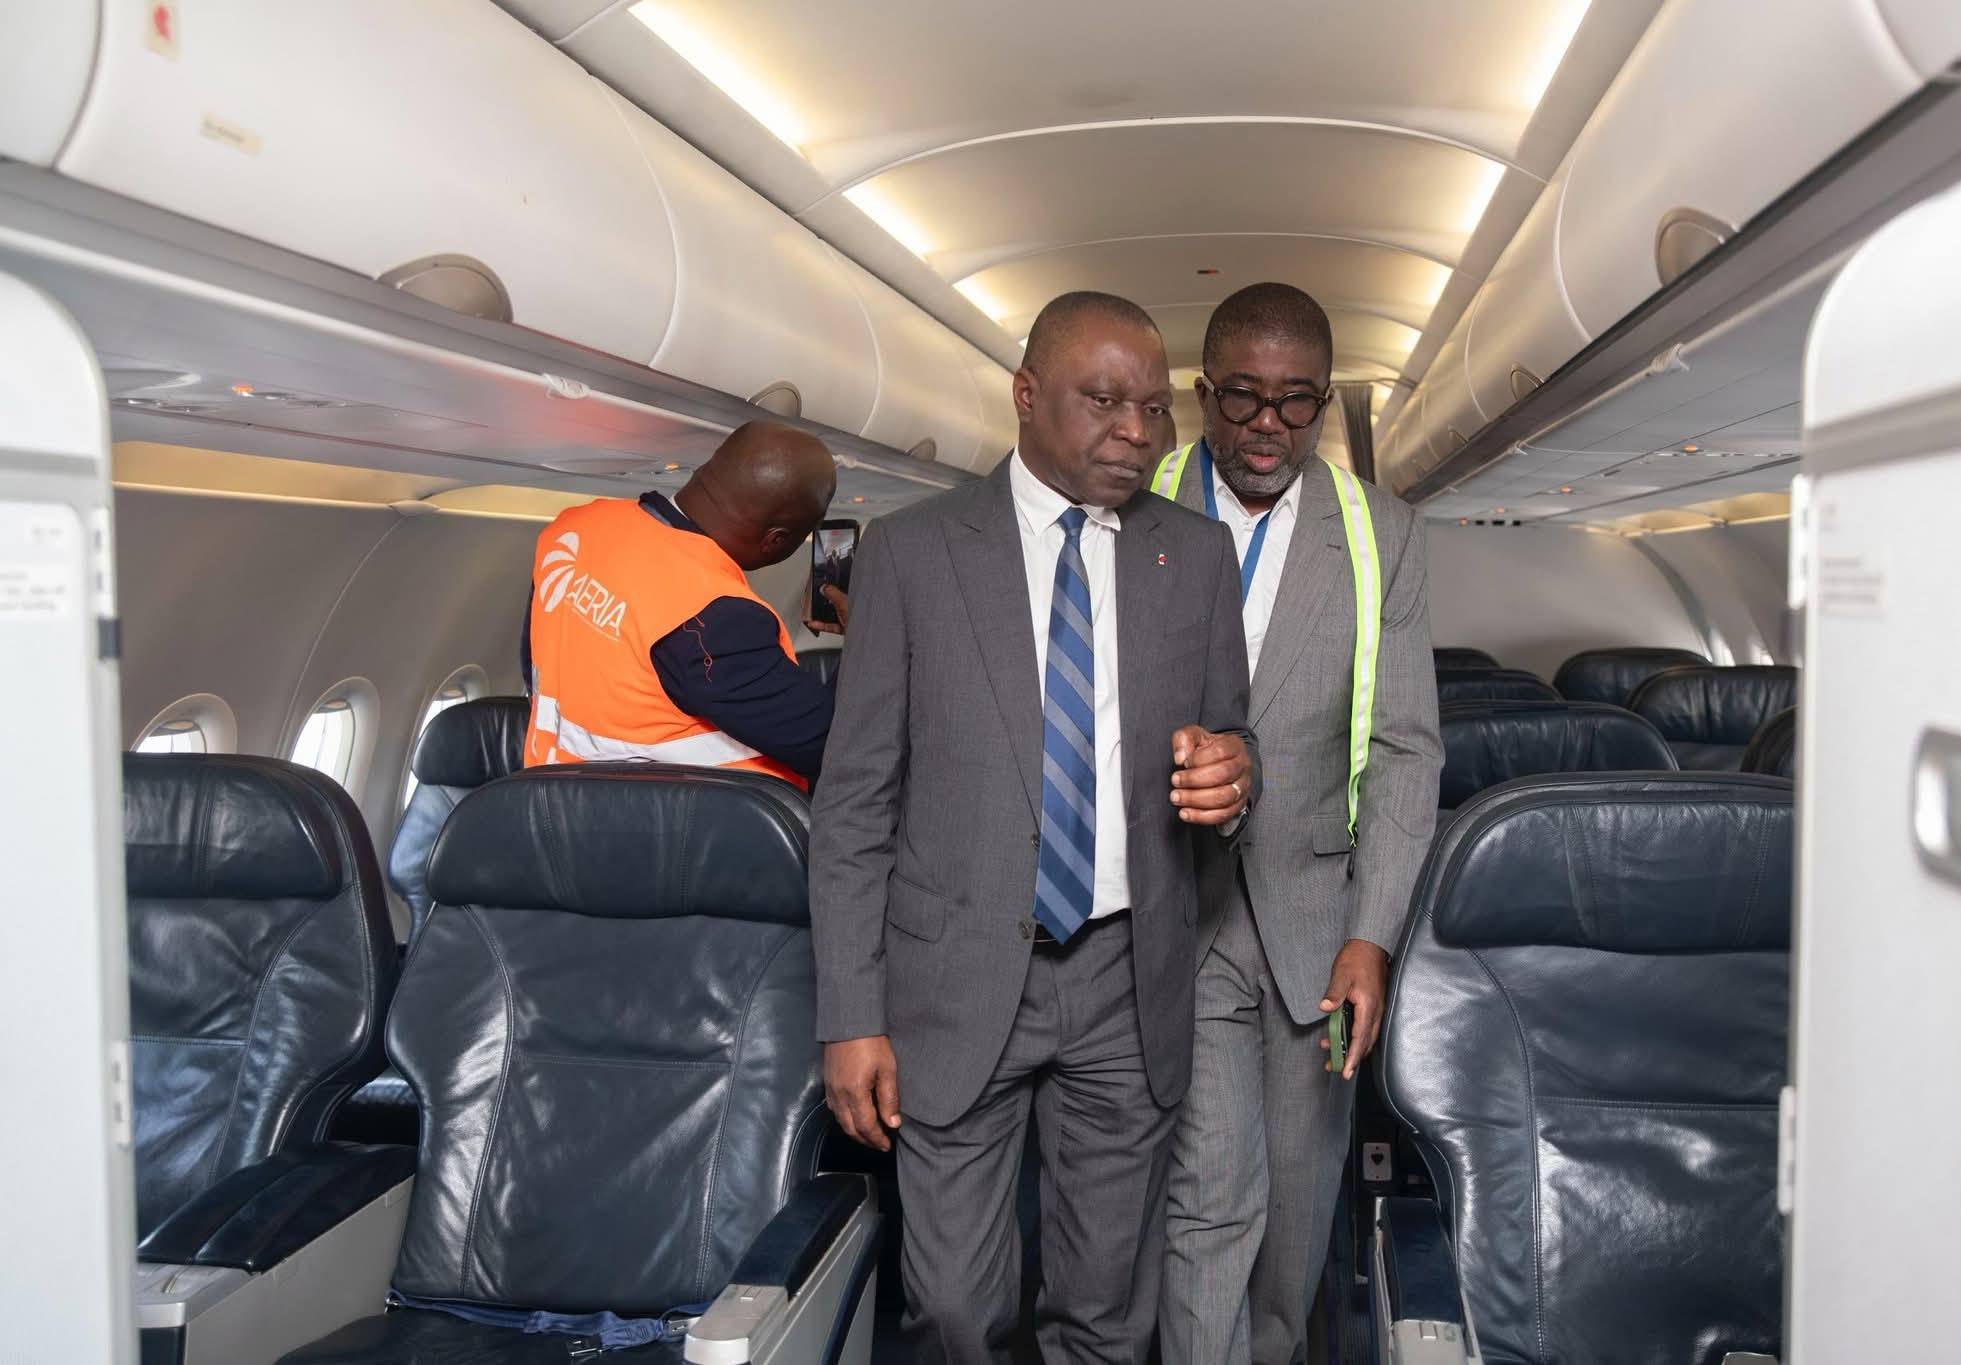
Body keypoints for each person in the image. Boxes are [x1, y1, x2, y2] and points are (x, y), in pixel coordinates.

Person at [810, 291, 1259, 1363]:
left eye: (1154, 409)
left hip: (1123, 975)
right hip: (953, 977)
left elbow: (1229, 741)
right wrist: (848, 1015)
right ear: (1025, 395)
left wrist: (1234, 778)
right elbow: (855, 802)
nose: (1135, 433)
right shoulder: (913, 555)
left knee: (1104, 1315)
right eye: (1104, 402)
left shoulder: (1189, 556)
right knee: (958, 1311)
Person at [1155, 283, 1442, 1365]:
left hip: (1315, 932)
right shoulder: (1133, 505)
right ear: (1200, 394)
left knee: (1291, 1232)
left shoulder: (1383, 535)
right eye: (1241, 399)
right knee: (1207, 1209)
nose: (1266, 426)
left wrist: (1369, 936)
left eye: (1294, 403)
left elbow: (1407, 748)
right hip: (1169, 919)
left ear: (1324, 401)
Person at [521, 419, 847, 787]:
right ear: (775, 540)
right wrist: (868, 632)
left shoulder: (574, 528)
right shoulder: (715, 617)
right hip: (685, 833)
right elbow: (836, 743)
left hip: (545, 801)